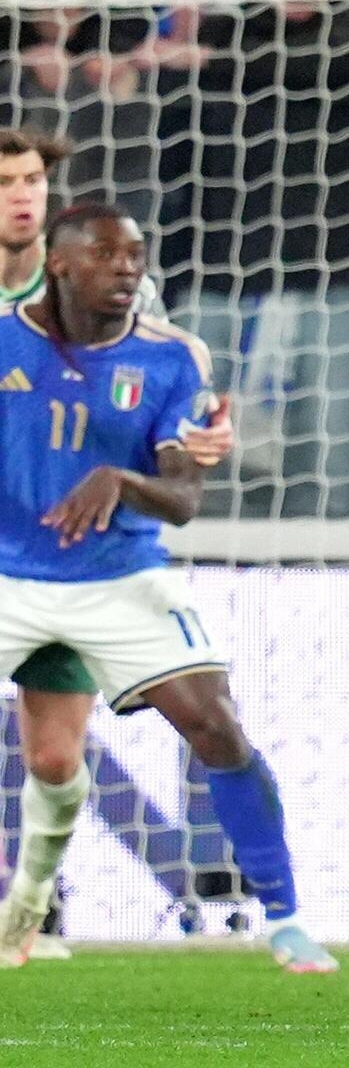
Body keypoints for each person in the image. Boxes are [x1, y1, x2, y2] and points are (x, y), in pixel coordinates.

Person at [0, 203, 331, 973]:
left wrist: (121, 480)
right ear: (58, 264)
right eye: (105, 255)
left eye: (134, 255)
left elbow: (183, 499)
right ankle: (27, 906)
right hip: (7, 573)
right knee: (52, 760)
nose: (125, 268)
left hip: (118, 576)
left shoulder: (172, 358)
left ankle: (285, 919)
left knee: (215, 724)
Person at [0, 127, 235, 962]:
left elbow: (159, 391)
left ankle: (29, 904)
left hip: (72, 550)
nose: (21, 196)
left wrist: (202, 439)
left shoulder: (103, 283)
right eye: (5, 182)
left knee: (52, 756)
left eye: (31, 180)